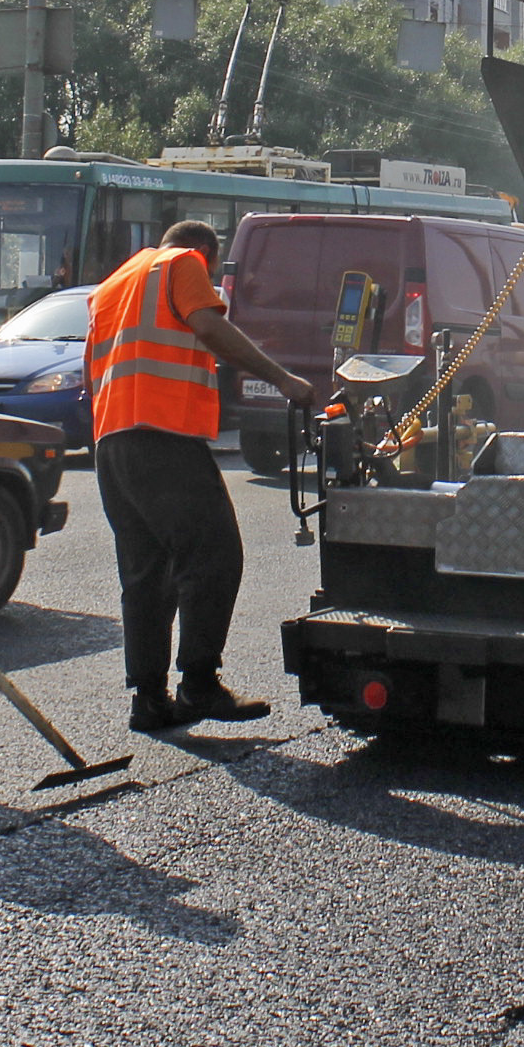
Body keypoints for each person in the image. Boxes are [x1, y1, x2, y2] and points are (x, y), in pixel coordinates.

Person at [85, 220, 319, 734]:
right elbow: (211, 329)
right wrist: (283, 380)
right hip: (162, 438)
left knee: (146, 573)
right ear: (207, 253)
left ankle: (148, 699)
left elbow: (95, 371)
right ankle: (198, 684)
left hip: (112, 442)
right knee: (214, 555)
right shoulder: (183, 264)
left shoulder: (114, 283)